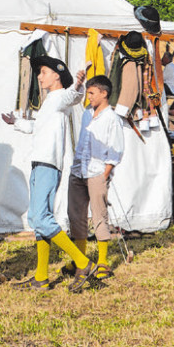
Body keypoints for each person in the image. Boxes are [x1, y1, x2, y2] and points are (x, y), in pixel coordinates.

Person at [0, 58, 96, 291]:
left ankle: (83, 263)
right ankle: (41, 277)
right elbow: (37, 127)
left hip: (47, 165)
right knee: (38, 218)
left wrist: (78, 85)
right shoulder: (49, 103)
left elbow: (72, 96)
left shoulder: (60, 96)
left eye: (44, 72)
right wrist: (17, 122)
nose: (40, 77)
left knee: (40, 218)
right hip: (40, 164)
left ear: (57, 76)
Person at [66, 75, 125, 281]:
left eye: (92, 93)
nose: (88, 97)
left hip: (96, 172)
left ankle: (103, 261)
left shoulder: (112, 118)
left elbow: (116, 149)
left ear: (104, 93)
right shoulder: (86, 115)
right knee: (76, 215)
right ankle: (80, 260)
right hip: (78, 170)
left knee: (99, 216)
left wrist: (105, 173)